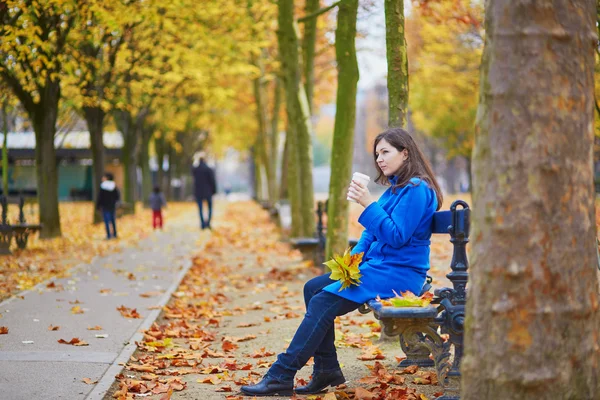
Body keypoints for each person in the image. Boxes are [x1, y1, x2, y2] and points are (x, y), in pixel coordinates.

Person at [241, 127, 444, 396]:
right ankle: (326, 370)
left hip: (400, 273)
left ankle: (281, 373)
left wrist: (368, 204)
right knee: (313, 288)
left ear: (405, 153)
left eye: (385, 152)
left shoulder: (416, 189)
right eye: (377, 154)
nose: (380, 159)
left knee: (323, 300)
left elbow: (396, 237)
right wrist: (352, 261)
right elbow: (371, 233)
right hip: (378, 268)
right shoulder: (396, 189)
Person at [191, 152, 216, 229]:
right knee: (210, 208)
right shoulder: (208, 169)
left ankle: (202, 224)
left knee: (200, 209)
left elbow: (194, 179)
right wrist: (214, 190)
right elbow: (212, 181)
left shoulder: (195, 169)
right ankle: (208, 223)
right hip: (208, 192)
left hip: (198, 192)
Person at [96, 172, 120, 239]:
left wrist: (98, 206)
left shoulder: (103, 186)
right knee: (112, 220)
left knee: (106, 220)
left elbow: (100, 197)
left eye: (104, 177)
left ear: (107, 178)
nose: (102, 178)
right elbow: (117, 196)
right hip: (112, 205)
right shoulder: (114, 186)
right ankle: (114, 234)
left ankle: (108, 235)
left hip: (105, 206)